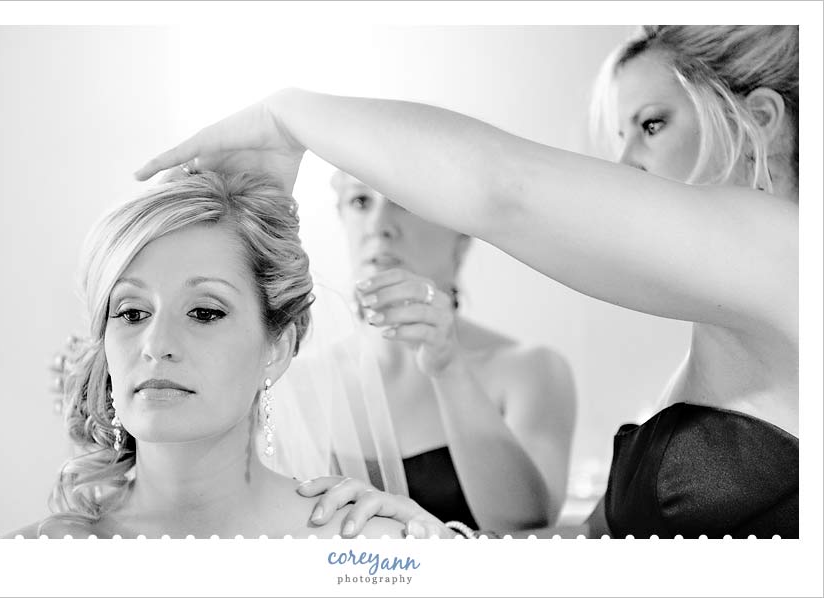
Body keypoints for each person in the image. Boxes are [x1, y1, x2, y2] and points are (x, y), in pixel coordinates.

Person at [135, 25, 800, 539]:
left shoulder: (793, 252)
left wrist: (286, 116)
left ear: (763, 123)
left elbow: (501, 190)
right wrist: (429, 542)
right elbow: (596, 550)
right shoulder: (722, 336)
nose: (624, 164)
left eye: (653, 125)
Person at [9, 171, 405, 538]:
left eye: (204, 313)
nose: (156, 345)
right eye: (132, 313)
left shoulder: (368, 547)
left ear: (277, 348)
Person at [325, 170, 576, 531]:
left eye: (404, 201)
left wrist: (449, 369)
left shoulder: (530, 370)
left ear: (461, 234)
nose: (378, 226)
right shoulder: (295, 379)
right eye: (360, 201)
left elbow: (526, 527)